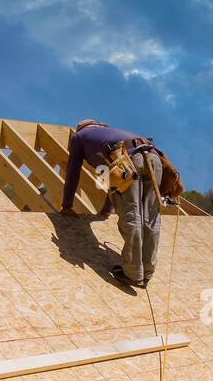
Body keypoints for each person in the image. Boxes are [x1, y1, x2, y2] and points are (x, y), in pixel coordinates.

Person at [60, 119, 162, 288]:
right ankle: (147, 272)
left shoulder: (80, 137)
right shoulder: (108, 136)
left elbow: (73, 172)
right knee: (151, 216)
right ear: (100, 125)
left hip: (126, 161)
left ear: (80, 129)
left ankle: (134, 274)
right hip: (154, 157)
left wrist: (67, 206)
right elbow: (109, 178)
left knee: (132, 214)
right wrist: (106, 210)